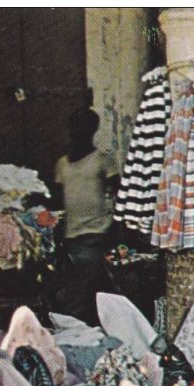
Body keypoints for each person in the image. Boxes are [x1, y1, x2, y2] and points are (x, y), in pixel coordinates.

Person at [54, 108, 118, 324]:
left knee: (81, 287)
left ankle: (73, 321)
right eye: (75, 127)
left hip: (96, 232)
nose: (79, 131)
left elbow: (117, 190)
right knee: (89, 283)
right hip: (72, 235)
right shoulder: (62, 163)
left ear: (93, 130)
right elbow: (57, 198)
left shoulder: (103, 160)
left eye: (85, 127)